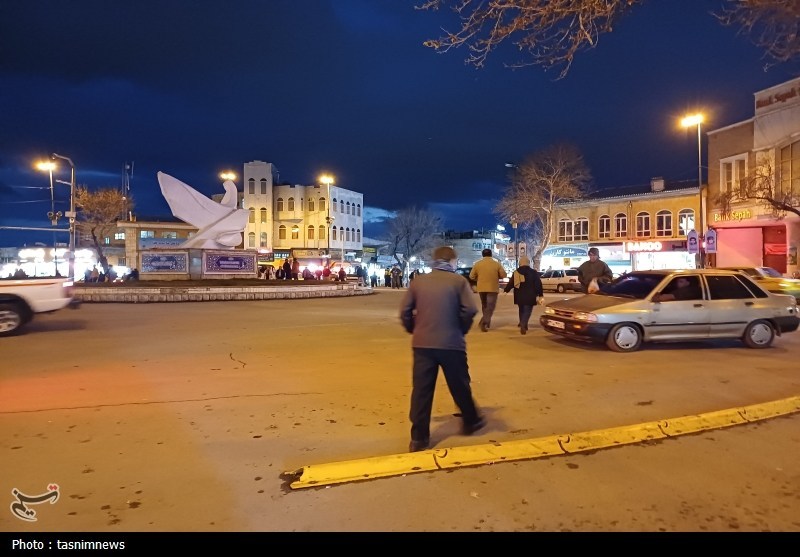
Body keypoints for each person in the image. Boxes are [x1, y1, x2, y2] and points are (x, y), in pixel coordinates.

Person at [399, 245, 485, 453]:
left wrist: (414, 329)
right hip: (451, 343)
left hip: (422, 344)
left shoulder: (419, 281)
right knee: (459, 385)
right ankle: (470, 421)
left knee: (421, 390)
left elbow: (404, 311)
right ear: (452, 261)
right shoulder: (458, 281)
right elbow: (470, 309)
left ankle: (419, 438)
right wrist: (460, 329)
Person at [503, 256, 544, 335]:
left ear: (520, 263)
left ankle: (523, 323)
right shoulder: (533, 272)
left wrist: (506, 290)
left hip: (519, 294)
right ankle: (523, 324)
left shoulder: (516, 272)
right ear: (528, 263)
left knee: (521, 309)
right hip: (530, 295)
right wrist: (540, 294)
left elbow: (511, 283)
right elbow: (538, 284)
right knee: (527, 311)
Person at [469, 248, 508, 332]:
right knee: (490, 306)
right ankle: (484, 322)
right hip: (492, 288)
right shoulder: (496, 264)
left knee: (485, 306)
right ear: (491, 255)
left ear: (483, 255)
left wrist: (478, 279)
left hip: (481, 288)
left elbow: (471, 276)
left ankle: (487, 322)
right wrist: (497, 276)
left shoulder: (477, 264)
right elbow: (503, 275)